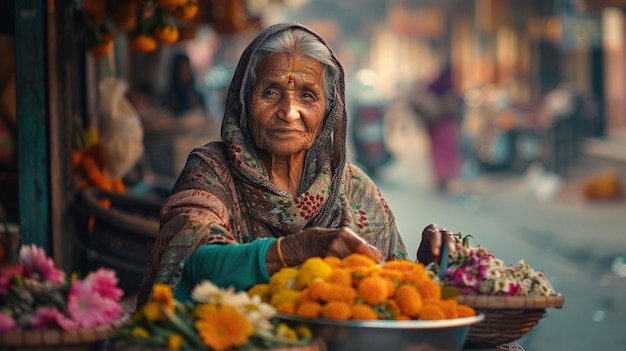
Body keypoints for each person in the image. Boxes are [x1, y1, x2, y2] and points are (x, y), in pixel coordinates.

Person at [136, 23, 456, 307]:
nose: (289, 112)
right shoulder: (211, 171)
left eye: (307, 95)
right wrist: (295, 249)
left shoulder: (355, 190)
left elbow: (387, 296)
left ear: (329, 111)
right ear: (243, 103)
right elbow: (191, 259)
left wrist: (427, 268)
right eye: (271, 92)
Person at [410, 65, 461, 193]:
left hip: (434, 124)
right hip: (443, 123)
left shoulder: (433, 83)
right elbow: (451, 104)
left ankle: (441, 178)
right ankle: (444, 177)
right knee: (445, 151)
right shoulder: (447, 84)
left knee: (438, 151)